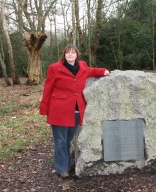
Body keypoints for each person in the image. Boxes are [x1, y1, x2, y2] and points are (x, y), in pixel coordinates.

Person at [40, 44, 110, 178]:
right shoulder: (54, 68)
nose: (70, 55)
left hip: (76, 110)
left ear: (77, 54)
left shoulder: (83, 66)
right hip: (59, 110)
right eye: (68, 53)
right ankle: (62, 169)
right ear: (64, 55)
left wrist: (103, 71)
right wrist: (45, 109)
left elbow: (92, 71)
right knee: (60, 141)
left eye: (73, 53)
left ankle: (65, 162)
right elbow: (47, 88)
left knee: (68, 139)